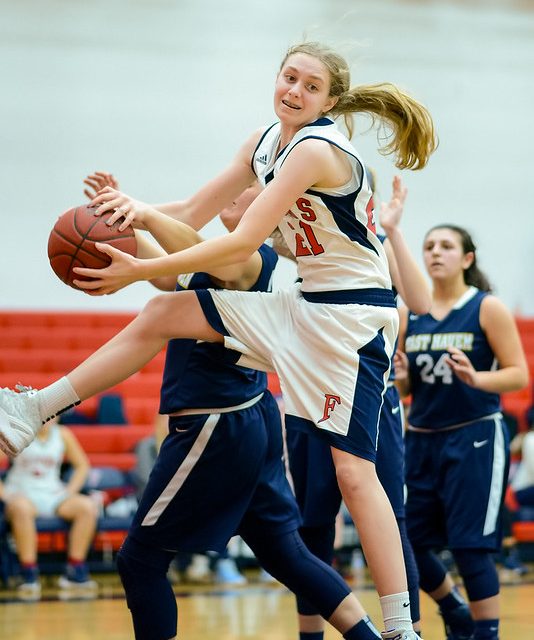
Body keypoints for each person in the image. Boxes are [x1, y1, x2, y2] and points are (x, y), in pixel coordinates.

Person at [0, 41, 437, 639]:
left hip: (352, 319)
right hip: (303, 305)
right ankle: (32, 410)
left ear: (330, 101)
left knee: (354, 475)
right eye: (289, 77)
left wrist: (129, 265)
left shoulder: (314, 150)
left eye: (311, 87)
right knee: (161, 311)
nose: (295, 92)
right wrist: (129, 208)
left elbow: (237, 242)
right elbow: (195, 209)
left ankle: (400, 627)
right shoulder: (265, 143)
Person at [284, 171, 429, 640]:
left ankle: (409, 628)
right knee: (313, 522)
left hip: (372, 395)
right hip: (314, 393)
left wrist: (394, 230)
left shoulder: (365, 238)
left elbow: (419, 303)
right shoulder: (298, 229)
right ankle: (311, 634)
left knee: (390, 515)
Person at [394, 224, 529, 640]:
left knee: (470, 547)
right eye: (429, 246)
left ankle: (486, 633)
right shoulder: (408, 312)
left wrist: (477, 379)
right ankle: (454, 608)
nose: (435, 253)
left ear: (467, 259)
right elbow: (410, 388)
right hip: (421, 436)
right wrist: (402, 380)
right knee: (407, 543)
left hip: (475, 438)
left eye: (446, 246)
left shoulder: (486, 307)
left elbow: (518, 375)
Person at [0, 416, 98, 600]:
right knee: (21, 508)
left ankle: (75, 571)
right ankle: (28, 573)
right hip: (22, 492)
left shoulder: (64, 434)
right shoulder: (18, 434)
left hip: (53, 492)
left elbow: (82, 465)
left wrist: (70, 490)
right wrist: (5, 495)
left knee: (87, 507)